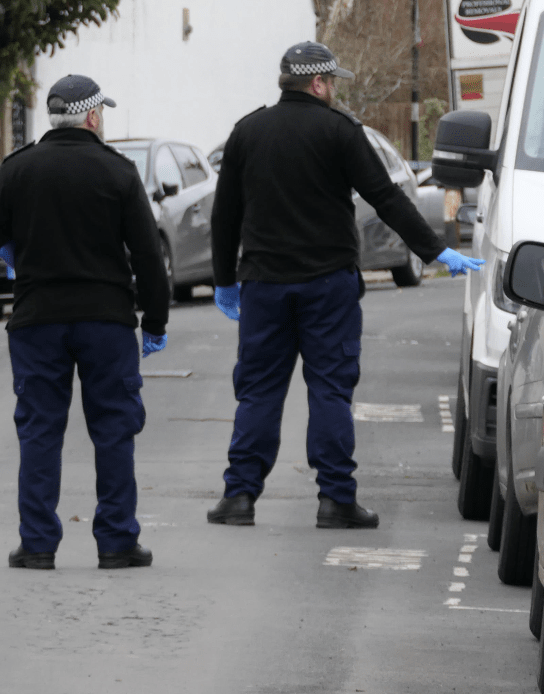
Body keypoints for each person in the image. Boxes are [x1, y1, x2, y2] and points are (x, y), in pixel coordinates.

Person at [207, 41, 484, 529]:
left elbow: (224, 215)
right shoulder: (340, 132)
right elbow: (387, 199)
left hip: (263, 286)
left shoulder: (247, 132)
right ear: (317, 84)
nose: (334, 90)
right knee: (330, 390)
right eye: (332, 82)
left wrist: (226, 281)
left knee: (258, 392)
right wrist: (436, 250)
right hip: (327, 286)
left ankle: (239, 497)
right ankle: (335, 499)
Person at [0, 74, 170, 571]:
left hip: (38, 320)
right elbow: (148, 255)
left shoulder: (18, 169)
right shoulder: (118, 172)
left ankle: (37, 544)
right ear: (94, 117)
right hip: (107, 321)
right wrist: (156, 321)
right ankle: (117, 542)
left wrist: (15, 251)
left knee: (39, 430)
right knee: (114, 431)